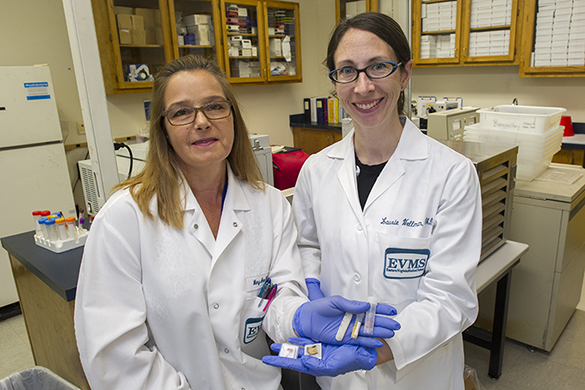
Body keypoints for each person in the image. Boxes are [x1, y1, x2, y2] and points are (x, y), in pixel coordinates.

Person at [74, 54, 398, 389]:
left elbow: (278, 296)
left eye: (215, 106)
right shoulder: (124, 219)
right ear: (163, 130)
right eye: (182, 112)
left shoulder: (269, 206)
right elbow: (113, 356)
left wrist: (297, 316)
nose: (202, 122)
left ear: (232, 117)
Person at [284, 12, 482, 390]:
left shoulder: (451, 173)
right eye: (347, 71)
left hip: (418, 372)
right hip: (339, 373)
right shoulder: (316, 170)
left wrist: (377, 349)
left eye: (378, 67)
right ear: (335, 81)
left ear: (405, 73)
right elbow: (308, 245)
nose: (363, 87)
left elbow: (451, 298)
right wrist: (310, 286)